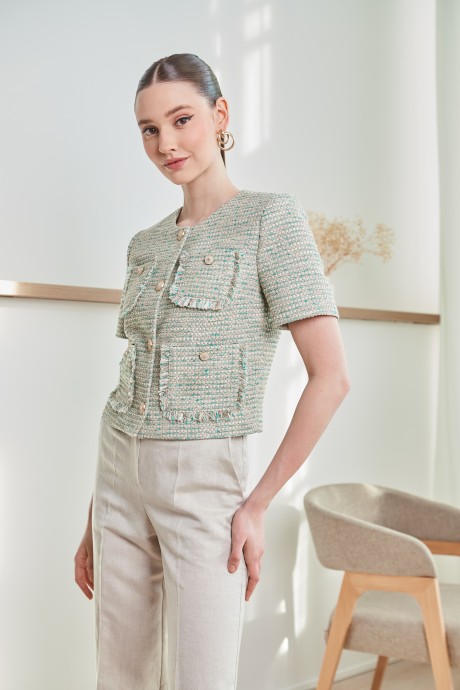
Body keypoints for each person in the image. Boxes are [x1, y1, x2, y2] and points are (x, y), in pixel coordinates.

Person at [74, 52, 350, 690]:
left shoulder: (270, 220)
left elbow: (331, 377)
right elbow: (132, 379)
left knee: (203, 676)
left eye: (181, 120)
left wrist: (255, 505)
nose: (165, 144)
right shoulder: (144, 244)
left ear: (220, 115)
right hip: (117, 469)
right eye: (149, 129)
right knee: (119, 674)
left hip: (203, 474)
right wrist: (95, 517)